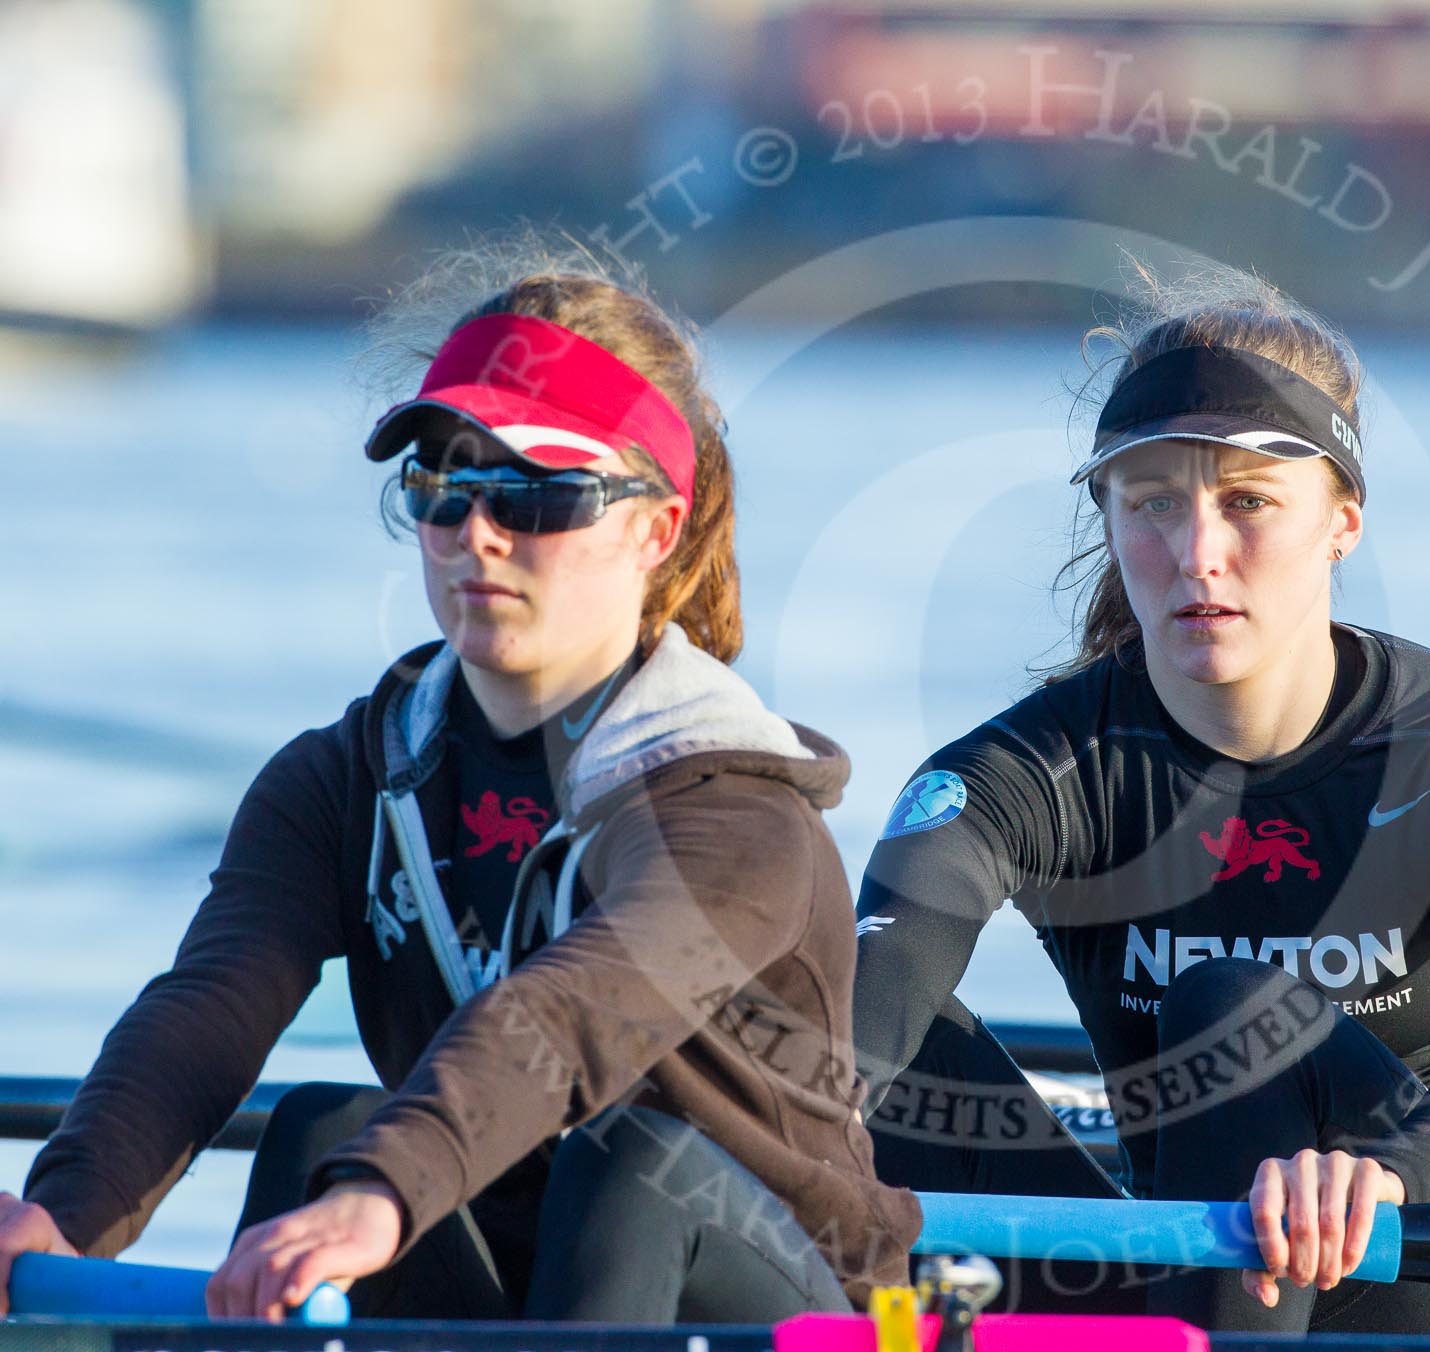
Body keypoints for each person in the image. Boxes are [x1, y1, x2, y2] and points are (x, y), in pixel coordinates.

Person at [0, 250, 918, 1323]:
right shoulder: (342, 780)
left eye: (538, 491)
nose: (476, 532)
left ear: (653, 527)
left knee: (627, 1172)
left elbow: (569, 1012)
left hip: (799, 1307)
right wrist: (59, 1219)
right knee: (319, 1133)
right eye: (444, 485)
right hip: (523, 1271)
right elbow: (205, 1012)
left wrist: (388, 1190)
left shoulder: (739, 814)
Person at [851, 263, 1430, 1340]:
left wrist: (1387, 1173)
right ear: (1111, 521)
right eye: (1155, 502)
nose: (1197, 553)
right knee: (835, 1026)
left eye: (1250, 502)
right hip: (1196, 1268)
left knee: (1229, 1004)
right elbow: (876, 978)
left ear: (1342, 522)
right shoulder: (1030, 770)